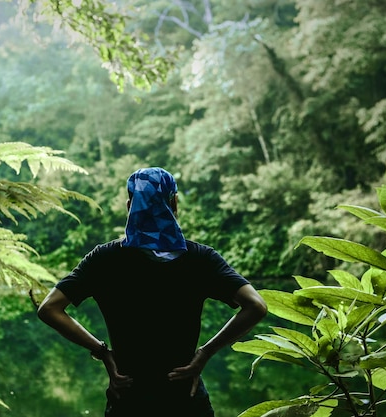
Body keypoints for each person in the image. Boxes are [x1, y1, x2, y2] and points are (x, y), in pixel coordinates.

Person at [37, 167, 267, 417]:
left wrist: (103, 352)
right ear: (174, 204)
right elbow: (256, 305)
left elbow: (50, 308)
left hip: (129, 399)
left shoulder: (104, 260)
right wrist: (205, 353)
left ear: (129, 207)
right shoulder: (200, 259)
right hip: (185, 399)